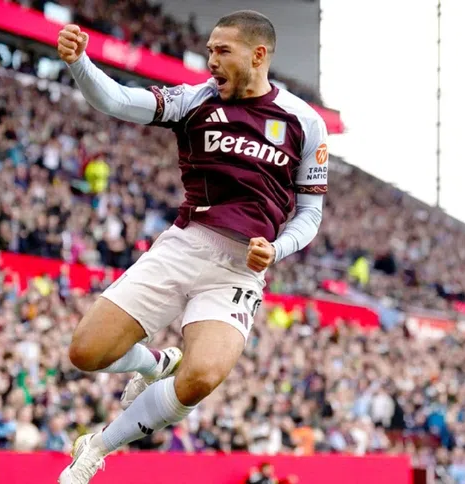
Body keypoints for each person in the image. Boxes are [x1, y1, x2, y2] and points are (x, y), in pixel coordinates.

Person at [56, 10, 327, 483]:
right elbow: (117, 99)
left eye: (223, 51)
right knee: (85, 353)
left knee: (201, 377)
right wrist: (80, 63)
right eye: (209, 51)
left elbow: (310, 213)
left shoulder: (304, 122)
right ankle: (155, 362)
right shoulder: (193, 100)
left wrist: (278, 248)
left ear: (258, 55)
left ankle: (97, 448)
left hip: (240, 270)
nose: (211, 61)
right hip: (184, 246)